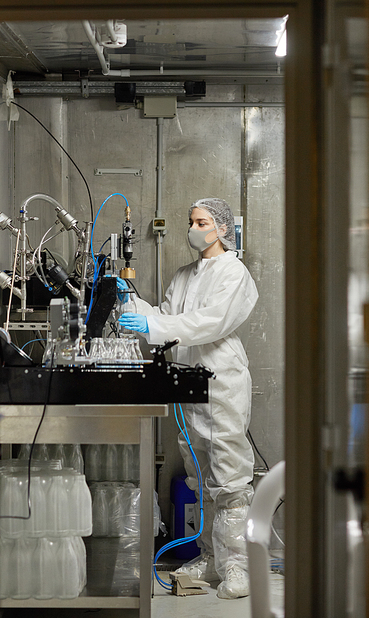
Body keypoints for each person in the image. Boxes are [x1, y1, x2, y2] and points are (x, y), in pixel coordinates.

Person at [117, 198, 258, 599]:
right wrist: (131, 300)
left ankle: (238, 566)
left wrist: (154, 323)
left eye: (202, 222)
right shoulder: (183, 275)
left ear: (221, 228)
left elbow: (208, 323)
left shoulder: (234, 273)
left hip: (220, 382)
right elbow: (164, 316)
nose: (194, 228)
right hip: (185, 385)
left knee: (228, 477)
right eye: (192, 220)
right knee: (199, 476)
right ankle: (212, 560)